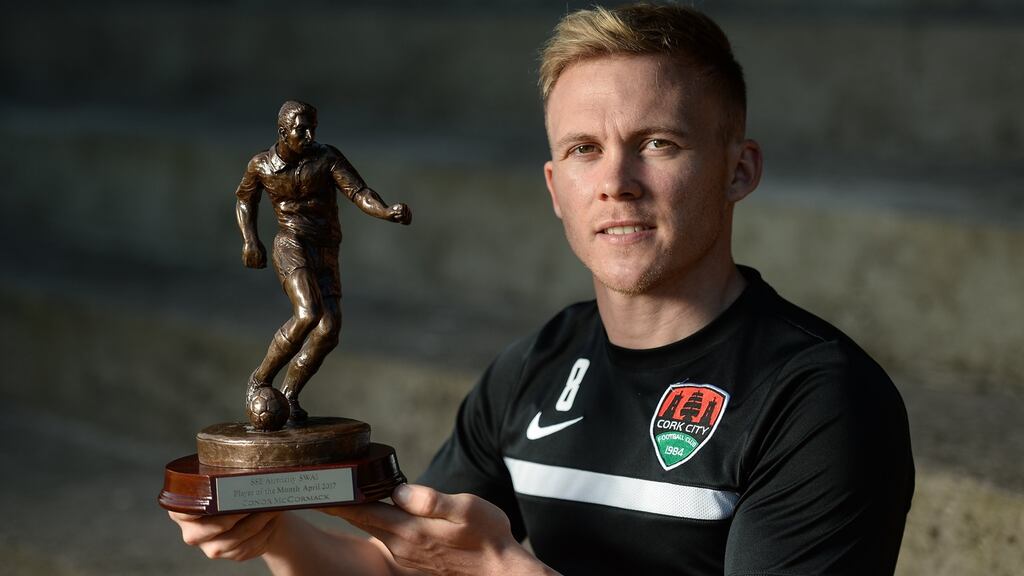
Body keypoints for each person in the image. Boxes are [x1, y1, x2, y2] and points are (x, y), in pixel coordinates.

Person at [170, 5, 914, 574]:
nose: (616, 184)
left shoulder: (821, 399)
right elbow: (402, 570)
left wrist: (502, 567)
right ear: (557, 189)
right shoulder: (539, 364)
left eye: (659, 143)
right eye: (584, 151)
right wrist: (277, 533)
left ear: (738, 170)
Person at [235, 100, 411, 422]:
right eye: (301, 129)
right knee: (307, 313)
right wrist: (250, 240)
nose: (309, 134)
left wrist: (385, 212)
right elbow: (244, 199)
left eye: (312, 128)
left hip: (326, 250)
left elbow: (359, 192)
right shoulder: (261, 166)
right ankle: (259, 379)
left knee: (328, 330)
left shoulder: (326, 158)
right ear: (282, 132)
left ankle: (289, 395)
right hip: (291, 243)